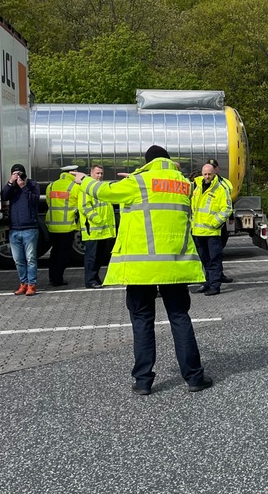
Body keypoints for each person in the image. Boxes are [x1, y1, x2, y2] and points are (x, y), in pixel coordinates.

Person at [73, 145, 211, 396]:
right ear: (168, 161)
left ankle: (144, 381)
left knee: (142, 322)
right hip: (175, 266)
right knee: (180, 319)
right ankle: (194, 377)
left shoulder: (137, 183)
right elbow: (164, 184)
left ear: (146, 163)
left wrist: (83, 180)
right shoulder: (183, 185)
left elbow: (104, 191)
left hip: (141, 268)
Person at [191, 161, 233, 295]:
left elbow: (227, 208)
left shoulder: (221, 188)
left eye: (209, 174)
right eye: (205, 174)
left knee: (214, 259)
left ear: (214, 173)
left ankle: (215, 286)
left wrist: (215, 223)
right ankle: (207, 283)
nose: (207, 176)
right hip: (198, 231)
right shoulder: (197, 186)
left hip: (212, 231)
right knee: (204, 260)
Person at [1, 163, 41, 296]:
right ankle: (23, 283)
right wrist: (10, 182)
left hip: (30, 228)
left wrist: (23, 187)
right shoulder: (11, 187)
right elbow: (4, 196)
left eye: (20, 174)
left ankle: (31, 285)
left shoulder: (32, 185)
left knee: (30, 258)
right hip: (14, 229)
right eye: (15, 174)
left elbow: (34, 201)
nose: (19, 176)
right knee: (18, 260)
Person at [79, 164, 116, 288]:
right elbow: (85, 207)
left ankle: (95, 278)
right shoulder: (86, 188)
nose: (99, 176)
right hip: (93, 230)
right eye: (97, 173)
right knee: (92, 257)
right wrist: (99, 220)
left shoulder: (102, 187)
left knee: (99, 257)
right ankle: (90, 281)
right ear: (91, 173)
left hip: (102, 230)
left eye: (101, 173)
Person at [45, 165, 79, 287]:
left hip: (53, 226)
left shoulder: (51, 185)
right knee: (63, 255)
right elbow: (78, 205)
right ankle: (58, 279)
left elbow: (49, 203)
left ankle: (52, 277)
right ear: (73, 172)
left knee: (54, 253)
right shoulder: (74, 187)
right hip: (67, 227)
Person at [206, 159, 234, 282]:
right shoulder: (202, 182)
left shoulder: (225, 183)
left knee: (218, 251)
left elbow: (228, 201)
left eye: (214, 167)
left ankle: (218, 275)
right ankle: (209, 278)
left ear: (217, 169)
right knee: (207, 253)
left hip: (219, 222)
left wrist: (231, 216)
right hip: (204, 224)